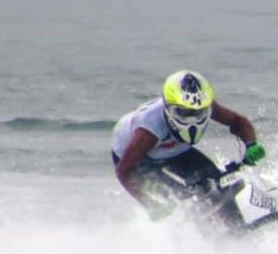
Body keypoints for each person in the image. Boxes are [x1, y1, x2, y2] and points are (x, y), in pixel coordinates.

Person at [111, 70, 264, 220]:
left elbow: (238, 121)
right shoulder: (148, 131)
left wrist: (251, 145)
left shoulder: (207, 106)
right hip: (140, 161)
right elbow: (123, 171)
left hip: (175, 149)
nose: (193, 118)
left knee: (216, 184)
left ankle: (237, 224)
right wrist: (149, 204)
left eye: (198, 112)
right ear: (169, 108)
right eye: (185, 112)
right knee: (183, 198)